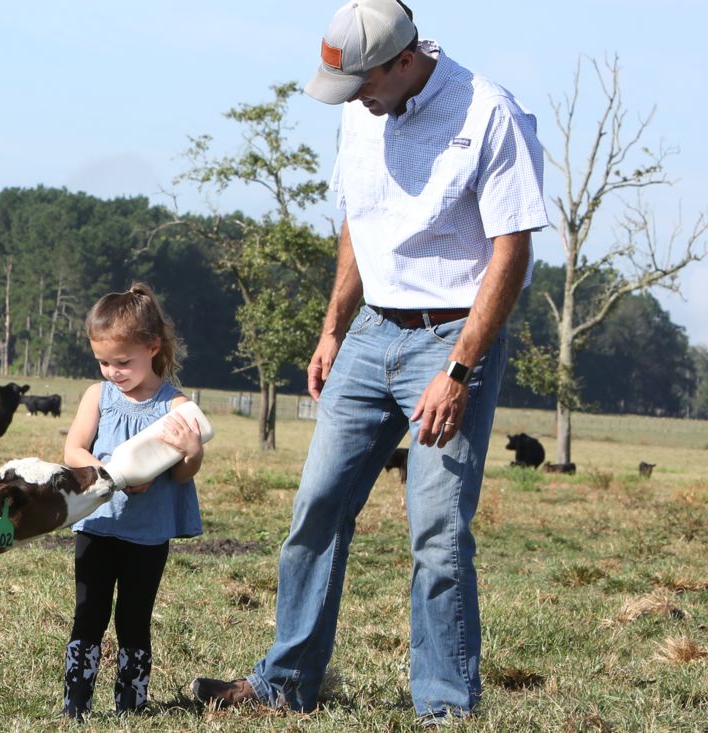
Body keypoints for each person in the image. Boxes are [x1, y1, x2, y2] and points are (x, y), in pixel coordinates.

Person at [189, 0, 548, 725]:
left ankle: (445, 706)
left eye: (362, 86)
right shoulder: (364, 108)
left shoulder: (490, 115)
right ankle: (286, 681)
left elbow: (513, 249)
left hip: (450, 342)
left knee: (438, 532)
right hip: (371, 332)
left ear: (403, 60)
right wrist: (332, 329)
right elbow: (359, 220)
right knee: (315, 509)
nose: (354, 101)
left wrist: (458, 370)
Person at [58, 283, 206, 718]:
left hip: (146, 534)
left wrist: (193, 452)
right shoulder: (97, 396)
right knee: (88, 614)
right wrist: (112, 476)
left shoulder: (175, 406)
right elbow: (73, 451)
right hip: (98, 526)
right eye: (103, 361)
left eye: (123, 362)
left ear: (152, 346)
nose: (112, 372)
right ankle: (76, 704)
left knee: (134, 619)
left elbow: (181, 473)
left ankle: (131, 706)